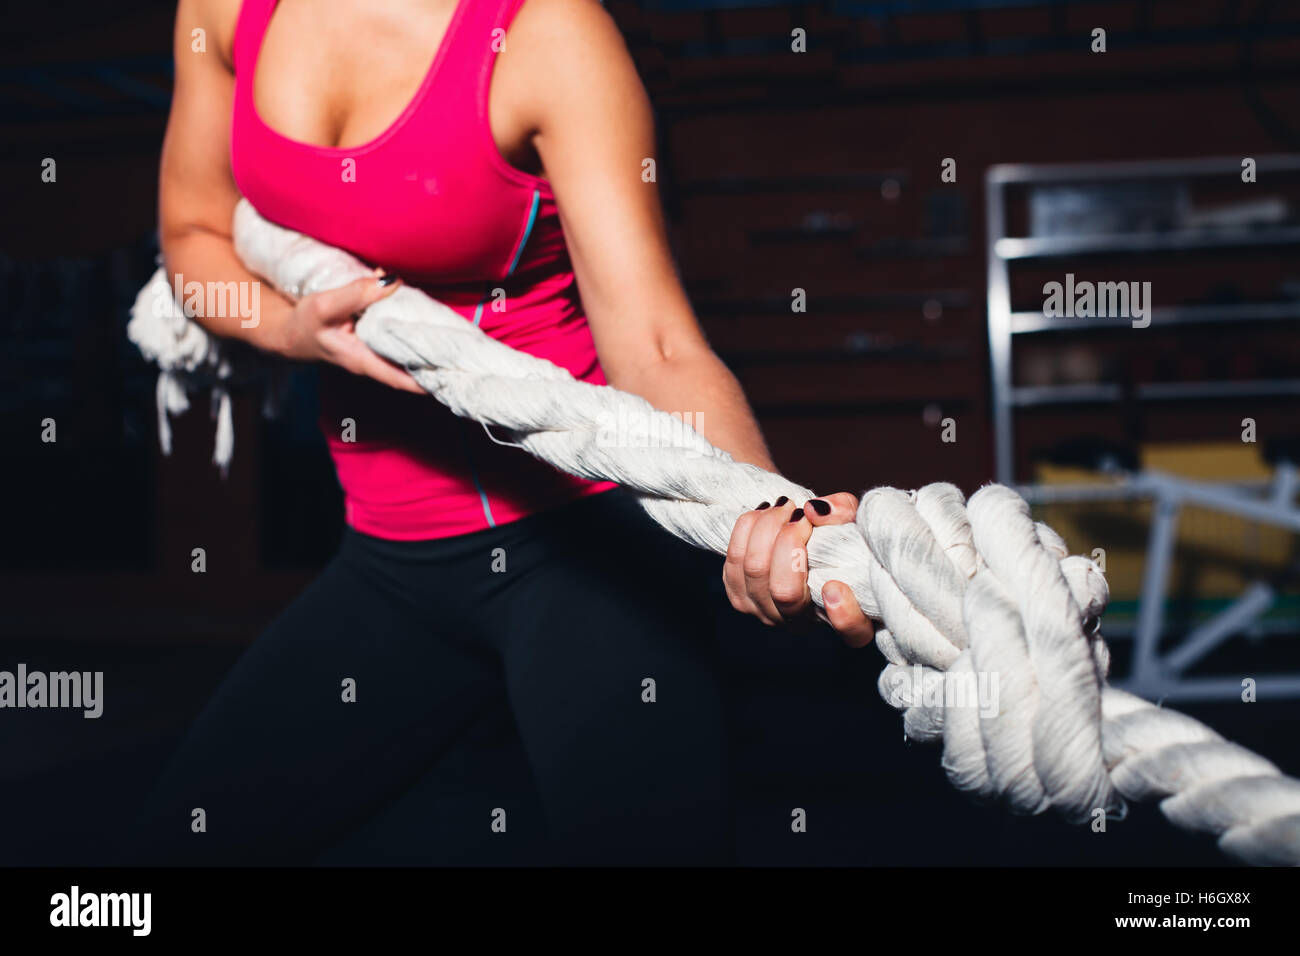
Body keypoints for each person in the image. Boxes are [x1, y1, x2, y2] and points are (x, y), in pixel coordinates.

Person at [131, 0, 873, 865]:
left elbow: (656, 341)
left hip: (586, 549)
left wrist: (766, 509)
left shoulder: (551, 36)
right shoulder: (221, 10)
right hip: (386, 558)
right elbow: (192, 234)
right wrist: (293, 329)